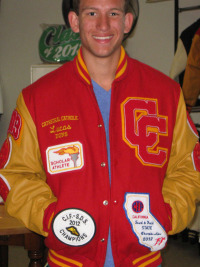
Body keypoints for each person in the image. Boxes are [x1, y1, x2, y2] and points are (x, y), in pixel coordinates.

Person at [0, 0, 200, 266]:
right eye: (91, 13)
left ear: (127, 22)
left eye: (113, 13)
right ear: (74, 21)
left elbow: (189, 166)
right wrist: (51, 216)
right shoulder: (38, 98)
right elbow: (14, 173)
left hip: (144, 260)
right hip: (67, 261)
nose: (103, 25)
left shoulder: (166, 93)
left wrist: (169, 213)